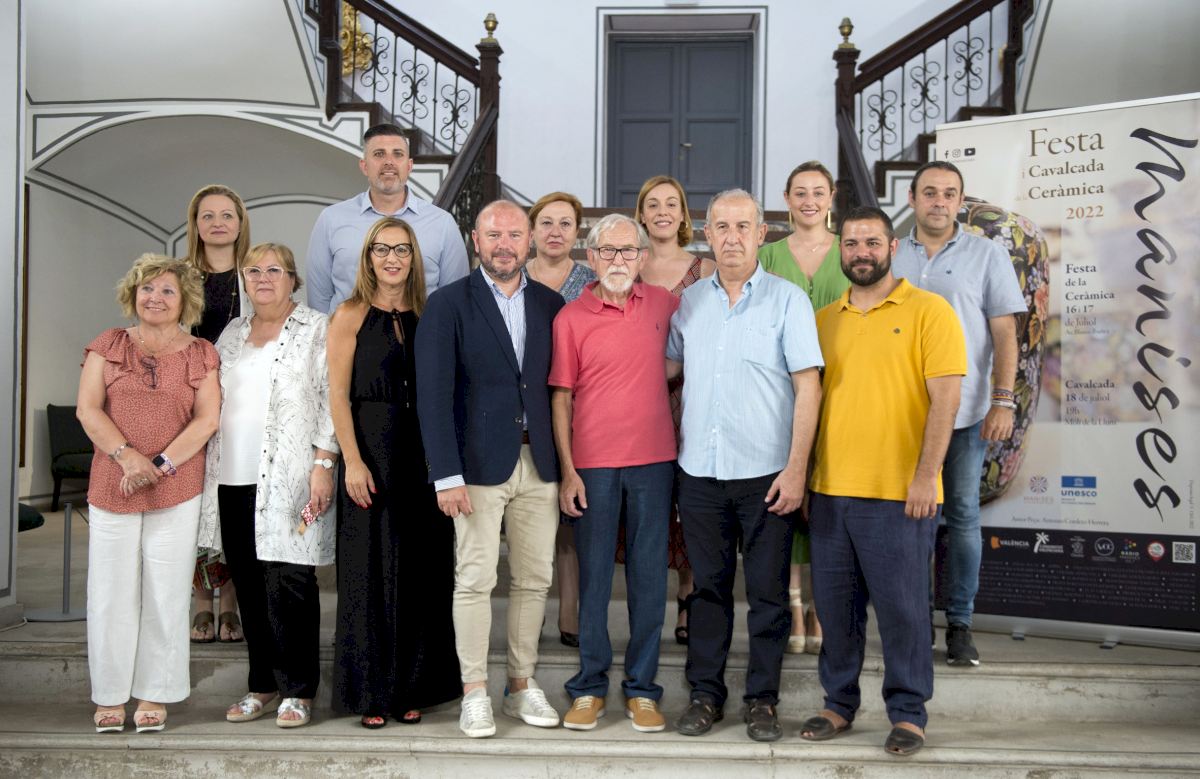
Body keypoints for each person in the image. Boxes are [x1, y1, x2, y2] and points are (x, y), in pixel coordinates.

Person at [800, 206, 965, 757]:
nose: (861, 252)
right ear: (839, 251)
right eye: (851, 244)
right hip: (831, 491)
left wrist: (925, 477)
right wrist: (808, 477)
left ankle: (909, 713)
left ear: (893, 247)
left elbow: (946, 401)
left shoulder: (930, 311)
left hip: (900, 494)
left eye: (872, 242)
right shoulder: (824, 319)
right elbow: (811, 404)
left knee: (903, 611)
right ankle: (838, 703)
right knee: (836, 611)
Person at [667, 190, 823, 742]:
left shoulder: (788, 301)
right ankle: (705, 695)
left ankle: (762, 701)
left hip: (767, 475)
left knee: (768, 594)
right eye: (721, 227)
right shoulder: (689, 304)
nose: (731, 237)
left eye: (742, 226)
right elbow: (663, 372)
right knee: (707, 592)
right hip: (699, 473)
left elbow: (809, 388)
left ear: (761, 234)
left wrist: (797, 469)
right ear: (706, 234)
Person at [415, 200, 565, 738]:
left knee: (535, 578)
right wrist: (446, 474)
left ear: (529, 241)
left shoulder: (551, 304)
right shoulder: (448, 303)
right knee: (476, 579)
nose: (505, 245)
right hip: (475, 466)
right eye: (494, 235)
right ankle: (474, 691)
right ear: (475, 241)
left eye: (514, 235)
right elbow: (433, 396)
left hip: (539, 461)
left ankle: (520, 684)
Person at [196, 242, 338, 729]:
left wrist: (324, 462)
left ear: (292, 279)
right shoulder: (232, 333)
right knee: (250, 584)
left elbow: (332, 399)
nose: (262, 278)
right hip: (232, 477)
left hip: (292, 478)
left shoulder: (316, 328)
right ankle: (261, 683)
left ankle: (298, 690)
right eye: (253, 270)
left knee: (291, 581)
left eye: (274, 270)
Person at [327, 217, 461, 728]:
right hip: (371, 453)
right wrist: (351, 460)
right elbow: (337, 394)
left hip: (423, 456)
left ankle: (414, 688)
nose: (392, 258)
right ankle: (372, 692)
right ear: (368, 257)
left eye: (402, 250)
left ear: (414, 258)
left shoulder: (432, 313)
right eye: (382, 249)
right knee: (369, 571)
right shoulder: (350, 314)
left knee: (424, 571)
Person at [77, 254, 220, 733]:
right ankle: (110, 695)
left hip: (176, 486)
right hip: (112, 483)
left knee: (166, 592)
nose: (155, 298)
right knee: (110, 592)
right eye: (147, 289)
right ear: (132, 294)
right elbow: (88, 409)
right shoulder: (108, 345)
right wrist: (128, 458)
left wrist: (158, 466)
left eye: (166, 291)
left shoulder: (201, 353)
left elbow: (207, 420)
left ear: (185, 301)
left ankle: (154, 693)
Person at [892, 161, 1026, 667]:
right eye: (929, 192)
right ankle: (916, 620)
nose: (939, 202)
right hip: (902, 414)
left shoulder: (986, 255)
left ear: (960, 201)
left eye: (949, 193)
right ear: (912, 198)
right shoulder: (891, 253)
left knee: (963, 515)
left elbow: (1005, 334)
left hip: (966, 412)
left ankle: (961, 623)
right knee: (910, 518)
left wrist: (1003, 399)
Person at [551, 213, 679, 733]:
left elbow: (687, 354)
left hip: (654, 462)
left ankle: (643, 689)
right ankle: (589, 686)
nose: (619, 260)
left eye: (628, 251)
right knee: (596, 579)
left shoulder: (666, 304)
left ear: (643, 257)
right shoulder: (570, 318)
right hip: (592, 466)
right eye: (608, 251)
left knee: (649, 580)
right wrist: (568, 471)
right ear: (591, 257)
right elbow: (561, 398)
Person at [758, 161, 849, 655]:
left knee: (827, 498)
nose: (809, 201)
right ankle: (794, 604)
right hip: (780, 392)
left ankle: (822, 606)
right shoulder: (767, 255)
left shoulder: (850, 250)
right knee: (785, 494)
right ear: (786, 199)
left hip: (843, 388)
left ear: (831, 197)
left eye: (818, 192)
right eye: (800, 192)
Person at [632, 175, 715, 644]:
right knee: (650, 506)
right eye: (653, 204)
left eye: (671, 204)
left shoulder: (705, 270)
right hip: (637, 397)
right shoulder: (628, 265)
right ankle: (646, 608)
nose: (662, 211)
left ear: (683, 214)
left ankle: (689, 599)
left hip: (693, 398)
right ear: (641, 214)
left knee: (691, 504)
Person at [525, 191, 596, 648]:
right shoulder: (511, 274)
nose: (555, 232)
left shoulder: (591, 281)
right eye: (546, 223)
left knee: (570, 518)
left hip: (576, 406)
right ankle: (528, 616)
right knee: (530, 519)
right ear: (532, 231)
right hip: (525, 409)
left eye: (565, 223)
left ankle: (570, 613)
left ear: (578, 232)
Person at [307, 123, 470, 313]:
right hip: (347, 331)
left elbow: (456, 300)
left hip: (421, 331)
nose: (389, 162)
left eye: (398, 154)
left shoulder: (443, 224)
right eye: (379, 154)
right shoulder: (331, 219)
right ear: (364, 166)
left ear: (409, 166)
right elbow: (319, 301)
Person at [185, 183, 251, 644]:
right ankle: (200, 601)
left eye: (227, 215)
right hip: (188, 403)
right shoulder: (181, 277)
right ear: (196, 225)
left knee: (227, 500)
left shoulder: (254, 276)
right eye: (207, 216)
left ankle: (229, 601)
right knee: (193, 501)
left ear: (240, 223)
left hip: (239, 402)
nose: (218, 223)